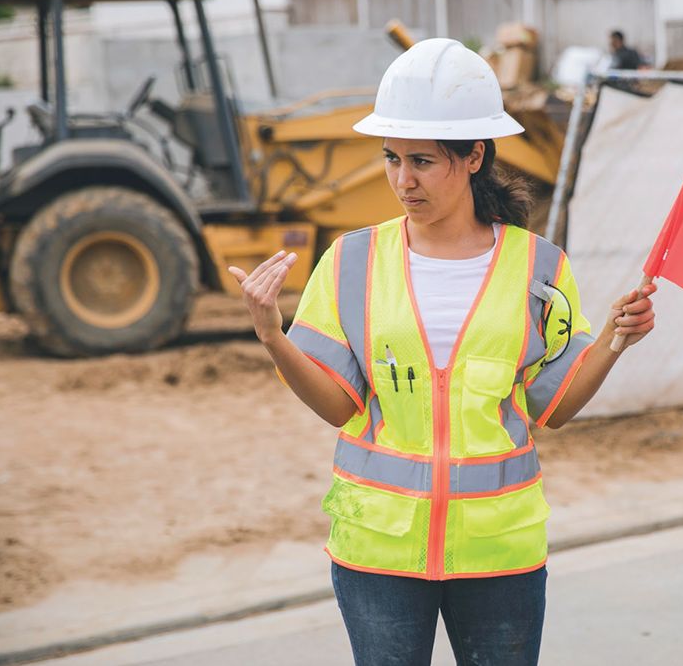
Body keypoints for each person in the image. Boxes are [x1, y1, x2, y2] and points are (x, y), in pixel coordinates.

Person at [228, 38, 655, 666]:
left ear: (474, 155)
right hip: (378, 554)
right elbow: (336, 402)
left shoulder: (538, 267)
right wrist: (272, 335)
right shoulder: (351, 261)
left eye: (423, 161)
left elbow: (555, 406)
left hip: (500, 554)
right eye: (392, 158)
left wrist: (616, 340)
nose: (404, 180)